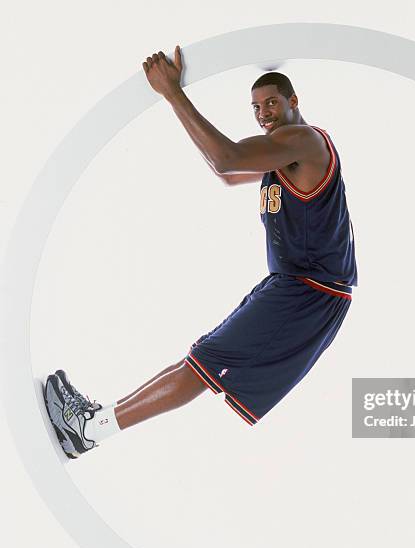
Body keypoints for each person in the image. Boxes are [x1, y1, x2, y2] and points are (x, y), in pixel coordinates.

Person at [44, 45, 357, 459]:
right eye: (256, 107)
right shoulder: (282, 153)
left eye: (272, 103)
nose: (263, 113)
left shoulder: (303, 140)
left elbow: (227, 160)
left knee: (205, 362)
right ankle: (95, 422)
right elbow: (226, 172)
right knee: (203, 355)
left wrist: (173, 93)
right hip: (296, 286)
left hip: (311, 290)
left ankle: (91, 430)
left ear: (293, 102)